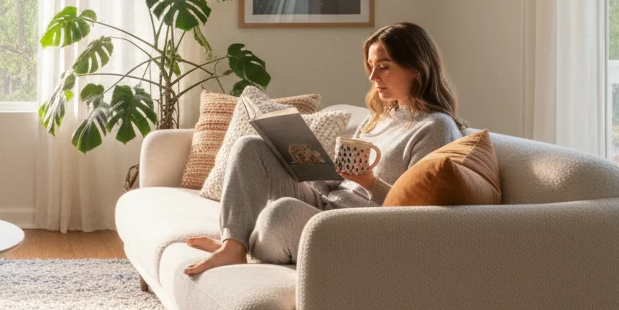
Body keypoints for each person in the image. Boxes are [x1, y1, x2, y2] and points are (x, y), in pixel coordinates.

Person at [183, 22, 463, 275]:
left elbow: (420, 213)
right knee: (250, 147)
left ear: (417, 67)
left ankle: (241, 244)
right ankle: (233, 245)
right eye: (371, 65)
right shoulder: (382, 115)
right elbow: (343, 185)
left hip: (356, 227)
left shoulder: (436, 127)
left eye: (385, 66)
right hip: (328, 203)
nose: (373, 75)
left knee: (281, 213)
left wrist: (370, 182)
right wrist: (310, 162)